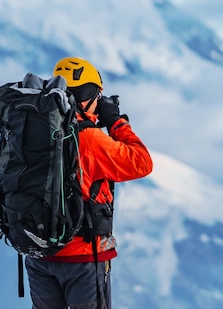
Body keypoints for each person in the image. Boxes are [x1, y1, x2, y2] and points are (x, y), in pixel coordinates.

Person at [24, 57, 153, 309]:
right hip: (82, 258)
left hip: (38, 253)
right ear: (91, 96)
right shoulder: (89, 139)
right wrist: (117, 121)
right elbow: (142, 162)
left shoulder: (35, 129)